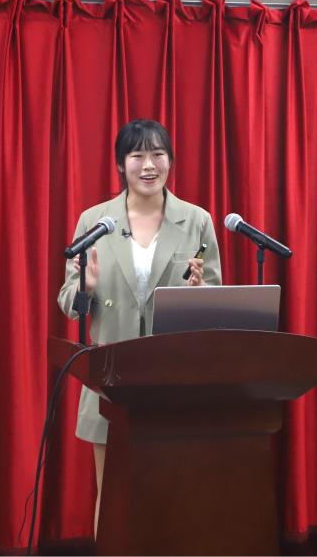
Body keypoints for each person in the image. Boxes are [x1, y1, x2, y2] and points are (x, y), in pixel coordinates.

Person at [57, 119, 222, 535]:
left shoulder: (197, 221)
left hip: (174, 378)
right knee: (112, 493)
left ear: (170, 160)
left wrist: (201, 292)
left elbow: (216, 301)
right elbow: (69, 303)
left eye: (157, 154)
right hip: (111, 378)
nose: (149, 165)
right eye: (137, 155)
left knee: (174, 494)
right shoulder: (95, 221)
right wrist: (85, 289)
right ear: (120, 164)